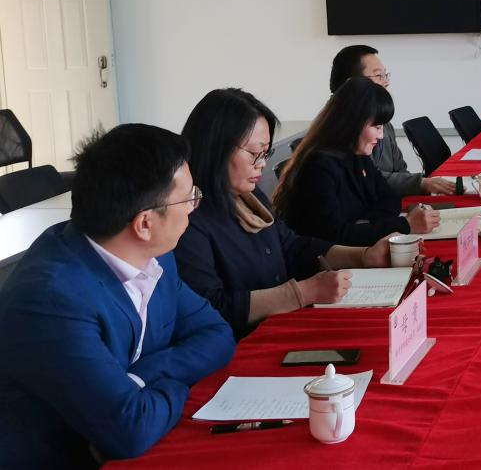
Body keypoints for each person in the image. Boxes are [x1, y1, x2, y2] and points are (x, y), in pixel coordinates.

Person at [0, 124, 234, 468]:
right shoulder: (50, 299)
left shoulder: (155, 258)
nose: (194, 206)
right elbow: (130, 429)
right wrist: (177, 385)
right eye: (188, 198)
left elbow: (218, 334)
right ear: (144, 224)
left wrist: (144, 375)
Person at [175, 88, 393, 339]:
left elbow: (291, 246)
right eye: (254, 154)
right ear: (216, 148)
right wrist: (302, 293)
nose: (262, 164)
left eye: (265, 153)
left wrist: (364, 256)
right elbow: (211, 307)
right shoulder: (188, 219)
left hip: (281, 327)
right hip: (243, 346)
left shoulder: (248, 197)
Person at [274, 76, 441, 246]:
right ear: (353, 122)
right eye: (377, 127)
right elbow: (334, 236)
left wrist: (364, 225)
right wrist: (403, 225)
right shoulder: (318, 168)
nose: (381, 135)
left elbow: (390, 198)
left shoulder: (357, 156)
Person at [330, 45, 456, 196]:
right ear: (352, 83)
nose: (386, 82)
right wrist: (420, 183)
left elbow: (400, 170)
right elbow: (364, 178)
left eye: (386, 75)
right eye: (379, 75)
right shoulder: (339, 127)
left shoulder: (382, 120)